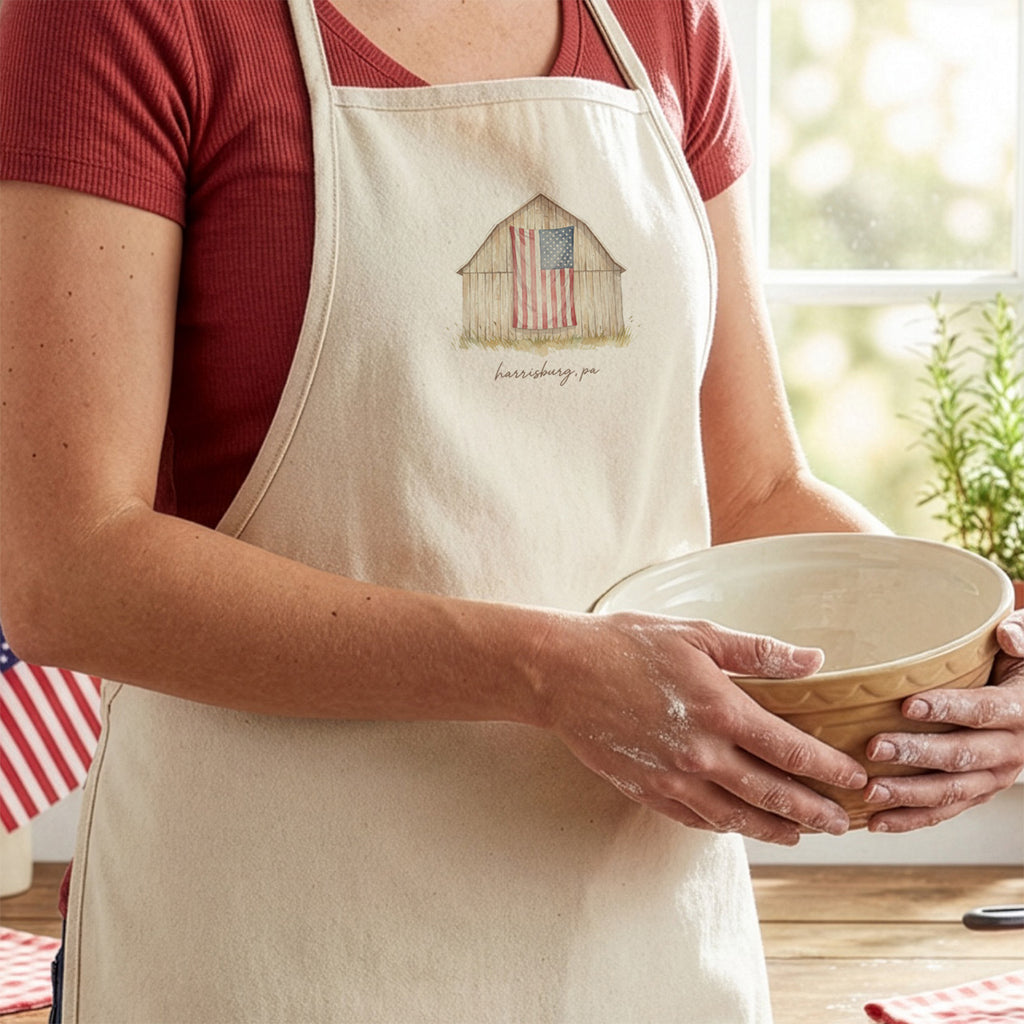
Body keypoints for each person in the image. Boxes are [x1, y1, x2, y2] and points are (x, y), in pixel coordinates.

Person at [1, 1, 1021, 1021]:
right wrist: (546, 672)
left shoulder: (662, 19)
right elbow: (68, 571)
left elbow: (751, 490)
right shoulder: (118, 20)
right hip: (266, 937)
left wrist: (964, 653)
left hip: (640, 945)